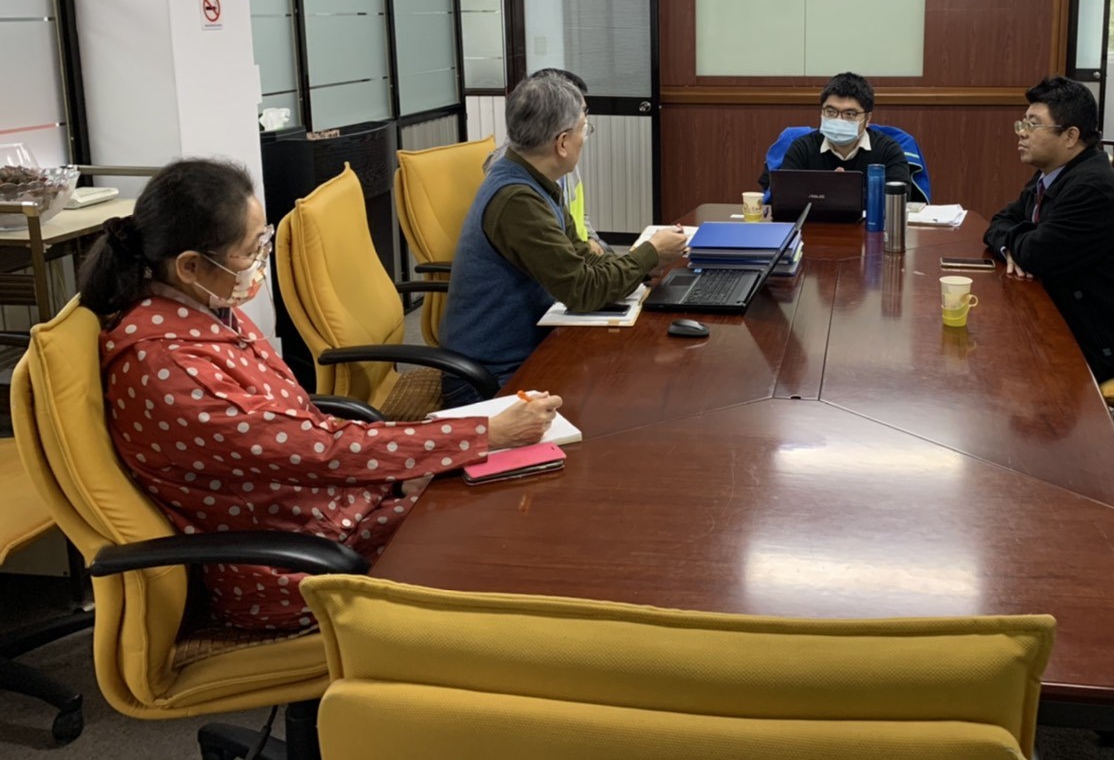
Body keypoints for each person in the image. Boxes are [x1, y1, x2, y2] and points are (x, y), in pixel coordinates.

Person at [77, 159, 561, 632]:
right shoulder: (169, 367)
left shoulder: (205, 312)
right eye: (251, 250)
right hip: (295, 566)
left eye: (263, 241)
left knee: (508, 498)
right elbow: (318, 449)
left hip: (330, 513)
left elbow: (301, 431)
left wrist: (408, 472)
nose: (259, 263)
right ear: (189, 266)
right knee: (503, 534)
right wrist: (483, 435)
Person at [442, 74, 688, 394]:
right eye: (584, 129)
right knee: (628, 386)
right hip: (492, 377)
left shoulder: (534, 180)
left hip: (529, 348)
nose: (585, 138)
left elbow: (582, 260)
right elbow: (581, 289)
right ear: (561, 143)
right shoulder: (518, 200)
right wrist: (649, 253)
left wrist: (642, 266)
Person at [984, 76, 1114, 382]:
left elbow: (1035, 255)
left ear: (1071, 136)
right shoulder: (1050, 174)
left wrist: (1018, 244)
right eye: (1022, 123)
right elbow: (999, 221)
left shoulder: (1093, 188)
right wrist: (1012, 246)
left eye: (1033, 125)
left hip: (1112, 347)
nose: (1021, 133)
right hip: (1075, 318)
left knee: (994, 366)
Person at [485, 67, 606, 256]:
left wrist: (591, 238)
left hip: (577, 246)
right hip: (560, 255)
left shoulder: (558, 155)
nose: (584, 122)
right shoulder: (512, 178)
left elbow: (578, 210)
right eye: (581, 112)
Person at [758, 71, 918, 196]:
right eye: (831, 111)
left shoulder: (887, 150)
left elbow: (901, 197)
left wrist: (846, 191)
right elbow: (784, 196)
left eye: (850, 114)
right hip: (814, 227)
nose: (838, 119)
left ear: (867, 118)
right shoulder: (802, 148)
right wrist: (829, 190)